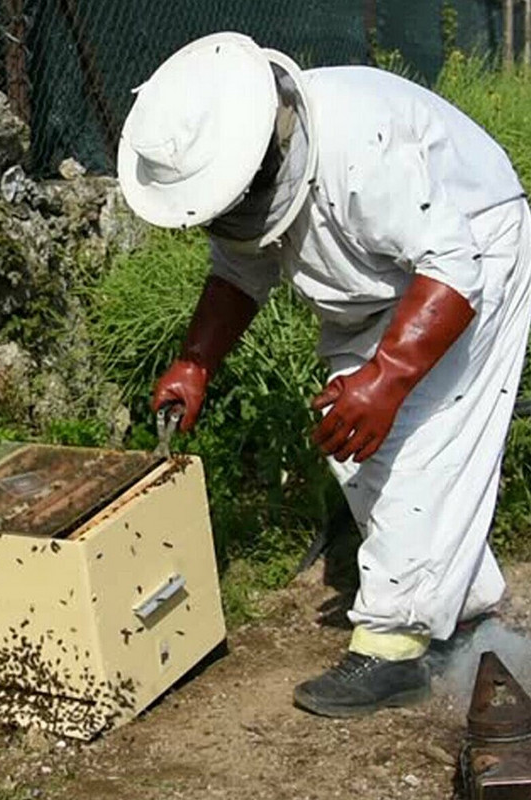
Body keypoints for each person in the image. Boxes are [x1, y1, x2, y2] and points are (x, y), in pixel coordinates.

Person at [116, 31, 531, 717]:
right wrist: (195, 363)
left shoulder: (364, 147)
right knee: (353, 436)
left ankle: (391, 649)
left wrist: (389, 379)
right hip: (375, 280)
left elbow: (453, 266)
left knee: (424, 447)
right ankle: (465, 603)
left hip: (469, 257)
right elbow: (239, 268)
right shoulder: (252, 167)